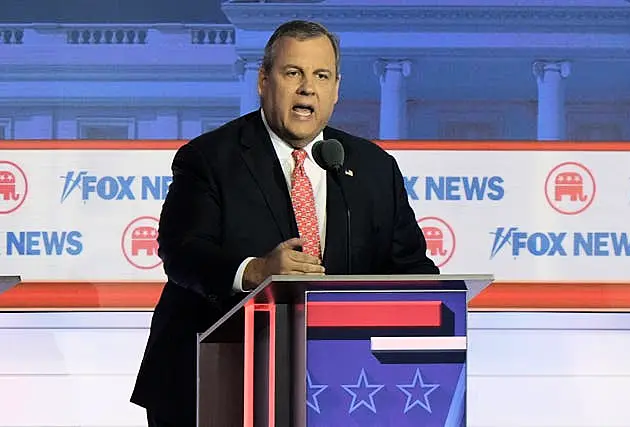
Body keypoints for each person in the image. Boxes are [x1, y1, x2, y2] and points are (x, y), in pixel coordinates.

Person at [130, 19, 439, 427]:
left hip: (338, 386)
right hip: (213, 381)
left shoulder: (373, 168)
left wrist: (436, 303)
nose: (307, 87)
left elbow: (412, 270)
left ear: (336, 89)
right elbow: (183, 252)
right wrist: (257, 270)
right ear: (263, 80)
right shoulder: (210, 158)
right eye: (293, 73)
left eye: (321, 76)